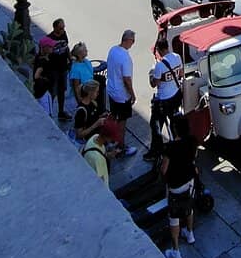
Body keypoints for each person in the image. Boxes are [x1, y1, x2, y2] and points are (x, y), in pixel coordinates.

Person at [161, 113, 199, 258]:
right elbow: (194, 157)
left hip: (175, 185)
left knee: (174, 216)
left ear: (174, 129)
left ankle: (176, 251)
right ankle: (190, 233)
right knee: (188, 207)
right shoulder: (192, 141)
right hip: (189, 181)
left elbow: (164, 169)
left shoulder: (170, 148)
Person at [145, 34, 184, 162]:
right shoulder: (177, 57)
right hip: (176, 96)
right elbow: (181, 74)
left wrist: (151, 74)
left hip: (163, 100)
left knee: (155, 125)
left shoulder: (159, 66)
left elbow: (154, 84)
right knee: (174, 123)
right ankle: (178, 147)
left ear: (159, 50)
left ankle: (156, 151)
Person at [105, 29, 138, 157]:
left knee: (113, 117)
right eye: (133, 41)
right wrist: (132, 94)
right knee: (122, 122)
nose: (133, 44)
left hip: (111, 90)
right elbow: (127, 79)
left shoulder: (113, 50)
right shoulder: (125, 58)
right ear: (128, 40)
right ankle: (121, 147)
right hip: (122, 95)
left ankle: (110, 139)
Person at [38, 18, 71, 121]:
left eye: (63, 27)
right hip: (53, 70)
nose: (63, 30)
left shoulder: (64, 34)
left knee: (62, 91)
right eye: (61, 28)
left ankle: (61, 112)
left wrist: (70, 59)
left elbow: (66, 47)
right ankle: (49, 113)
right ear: (55, 28)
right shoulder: (49, 39)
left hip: (63, 68)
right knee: (52, 92)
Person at [82, 118, 122, 187]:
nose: (113, 141)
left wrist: (109, 155)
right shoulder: (99, 159)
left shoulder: (94, 137)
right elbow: (102, 183)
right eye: (112, 139)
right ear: (107, 137)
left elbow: (101, 152)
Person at [70, 80, 105, 147]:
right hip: (89, 143)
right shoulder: (81, 111)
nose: (98, 94)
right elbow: (79, 135)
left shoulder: (93, 103)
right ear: (90, 93)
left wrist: (101, 116)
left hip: (96, 138)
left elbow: (92, 119)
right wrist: (96, 124)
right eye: (96, 92)